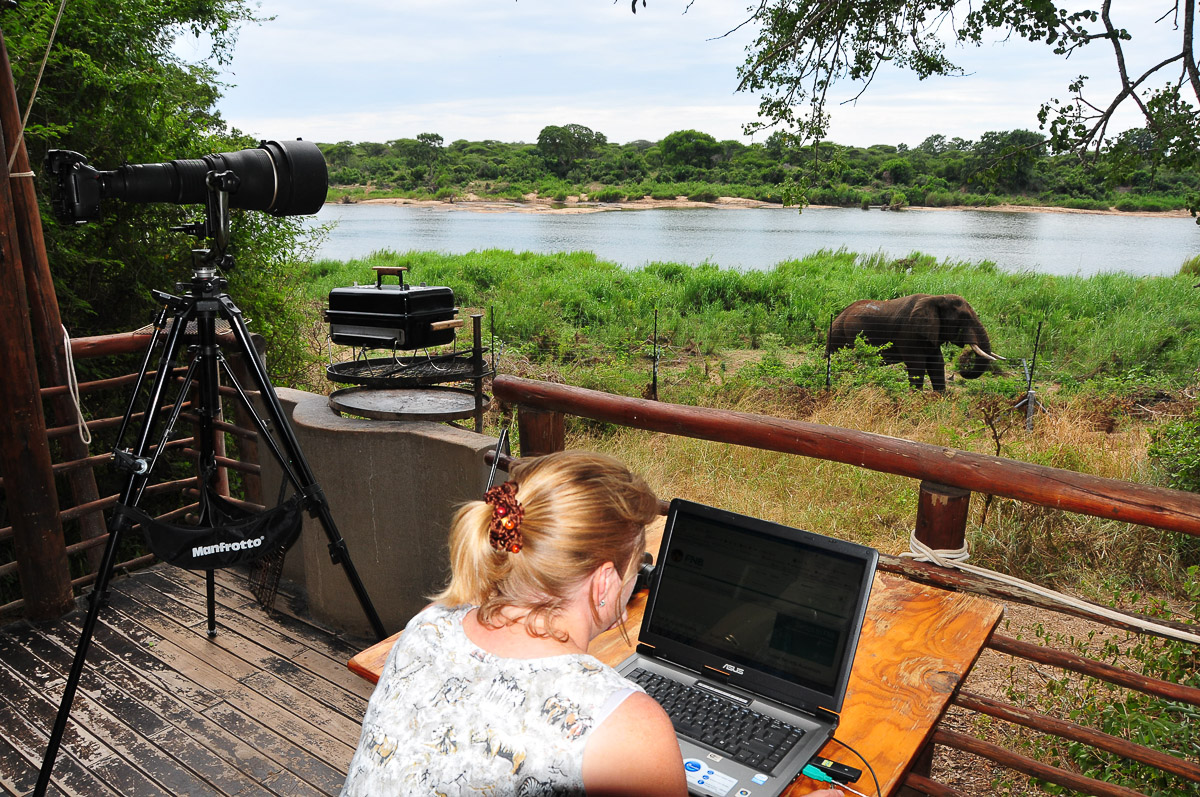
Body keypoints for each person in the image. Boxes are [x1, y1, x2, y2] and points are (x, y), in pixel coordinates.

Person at [341, 450, 843, 797]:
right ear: (604, 583)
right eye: (638, 565)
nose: (638, 578)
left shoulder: (427, 626)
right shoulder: (625, 725)